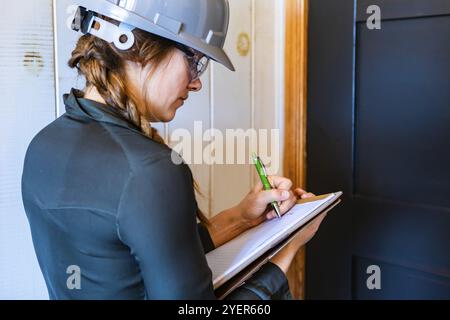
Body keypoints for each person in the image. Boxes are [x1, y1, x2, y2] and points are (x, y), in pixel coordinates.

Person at [21, 0, 327, 300]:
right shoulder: (149, 171)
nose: (196, 85)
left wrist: (243, 218)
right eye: (193, 60)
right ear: (138, 47)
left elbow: (144, 257)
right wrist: (287, 250)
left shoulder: (43, 145)